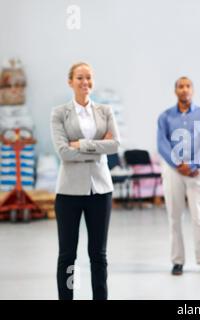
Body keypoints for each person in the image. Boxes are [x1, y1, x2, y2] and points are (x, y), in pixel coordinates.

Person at [51, 62, 120, 300]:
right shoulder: (59, 113)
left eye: (88, 78)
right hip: (69, 192)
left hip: (100, 190)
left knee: (98, 255)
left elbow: (115, 145)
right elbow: (63, 152)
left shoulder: (105, 111)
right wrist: (98, 147)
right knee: (68, 255)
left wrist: (80, 145)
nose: (85, 83)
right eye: (80, 78)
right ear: (70, 82)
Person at [157, 76, 200, 276]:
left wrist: (193, 164)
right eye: (180, 86)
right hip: (173, 171)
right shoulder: (165, 117)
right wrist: (177, 164)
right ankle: (177, 261)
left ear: (193, 90)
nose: (184, 89)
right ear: (176, 91)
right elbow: (162, 144)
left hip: (198, 171)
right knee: (174, 216)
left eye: (188, 86)